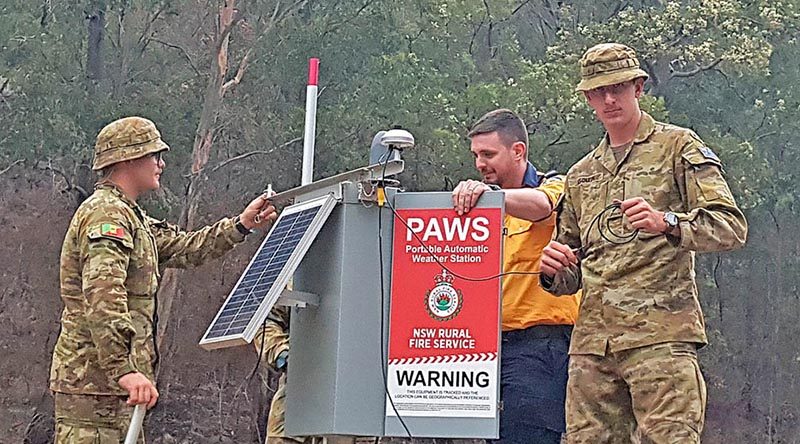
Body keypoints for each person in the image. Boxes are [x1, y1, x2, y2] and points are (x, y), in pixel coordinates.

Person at [538, 43, 748, 443]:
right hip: (593, 346)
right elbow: (569, 270)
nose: (610, 99)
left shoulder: (677, 147)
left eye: (618, 87)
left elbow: (729, 226)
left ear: (639, 87)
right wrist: (553, 268)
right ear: (587, 98)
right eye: (598, 91)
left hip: (660, 336)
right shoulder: (581, 174)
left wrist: (666, 221)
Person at [49, 116, 278, 443]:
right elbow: (103, 299)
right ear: (128, 158)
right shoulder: (106, 214)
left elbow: (187, 247)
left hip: (112, 389)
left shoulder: (129, 216)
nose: (161, 163)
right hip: (95, 387)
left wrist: (241, 225)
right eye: (154, 154)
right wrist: (123, 371)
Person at [451, 109, 581, 443]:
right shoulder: (476, 208)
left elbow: (542, 207)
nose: (480, 164)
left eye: (489, 154)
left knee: (528, 435)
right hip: (478, 346)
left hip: (540, 343)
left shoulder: (553, 184)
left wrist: (490, 199)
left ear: (518, 151)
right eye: (476, 156)